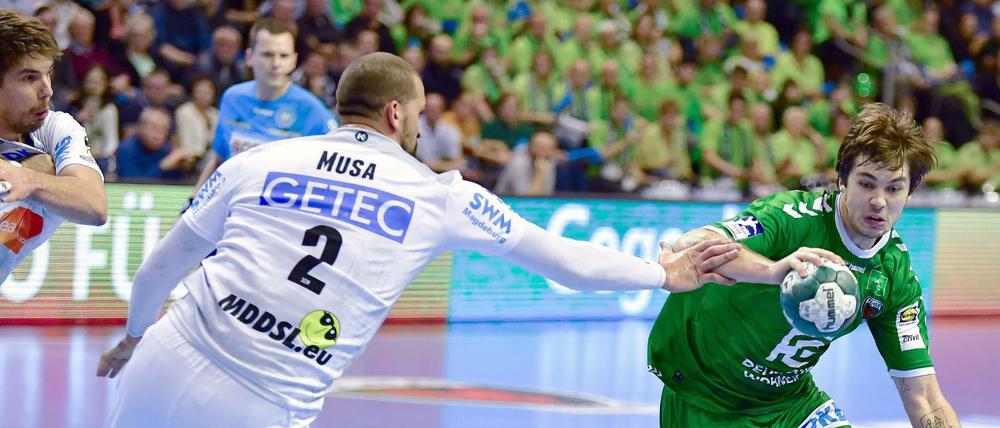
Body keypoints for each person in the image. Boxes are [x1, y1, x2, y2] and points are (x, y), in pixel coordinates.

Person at [97, 52, 741, 427]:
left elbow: (162, 266)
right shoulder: (443, 196)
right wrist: (663, 275)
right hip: (263, 403)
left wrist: (133, 334)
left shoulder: (259, 160)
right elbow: (566, 261)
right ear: (398, 114)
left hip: (167, 353)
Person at [647, 103, 960, 427]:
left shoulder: (894, 278)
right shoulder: (793, 216)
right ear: (842, 180)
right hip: (705, 392)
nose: (879, 201)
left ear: (910, 194)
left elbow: (924, 396)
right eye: (866, 184)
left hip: (789, 403)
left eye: (894, 188)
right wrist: (773, 271)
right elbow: (692, 244)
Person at [0, 10, 107, 280]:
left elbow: (94, 207)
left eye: (47, 74)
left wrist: (28, 179)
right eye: (29, 78)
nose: (47, 90)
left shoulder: (54, 128)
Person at [189, 17, 338, 207]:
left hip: (278, 217)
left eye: (283, 56)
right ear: (249, 56)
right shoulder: (233, 97)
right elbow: (218, 159)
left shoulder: (313, 110)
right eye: (268, 54)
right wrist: (193, 201)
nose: (276, 63)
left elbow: (333, 173)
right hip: (230, 206)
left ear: (293, 61)